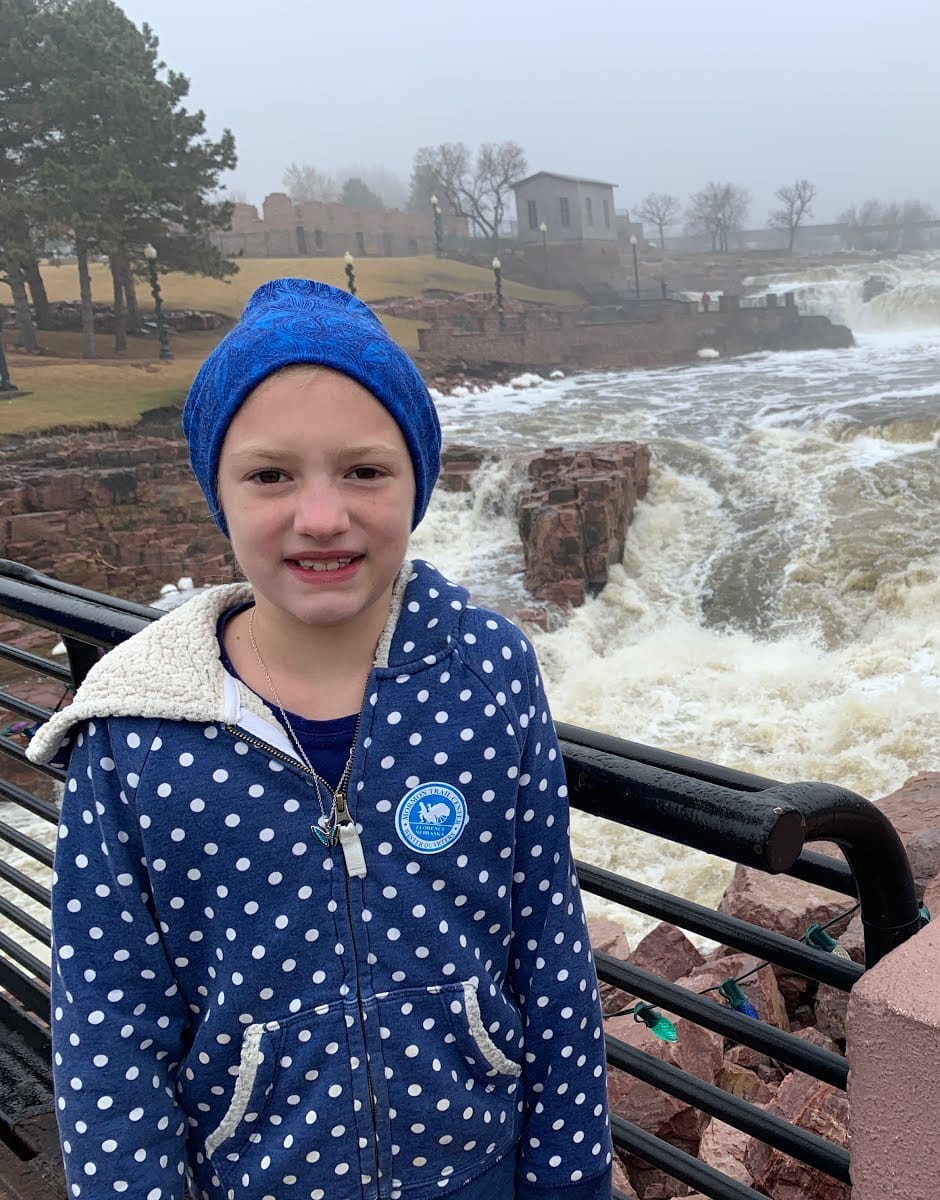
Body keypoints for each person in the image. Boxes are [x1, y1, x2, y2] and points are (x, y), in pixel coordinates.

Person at [28, 278, 613, 1200]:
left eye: (364, 470)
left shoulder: (490, 675)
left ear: (418, 480)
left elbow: (548, 950)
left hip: (478, 1174)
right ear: (216, 491)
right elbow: (109, 1031)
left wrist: (569, 1177)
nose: (322, 517)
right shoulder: (138, 730)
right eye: (270, 475)